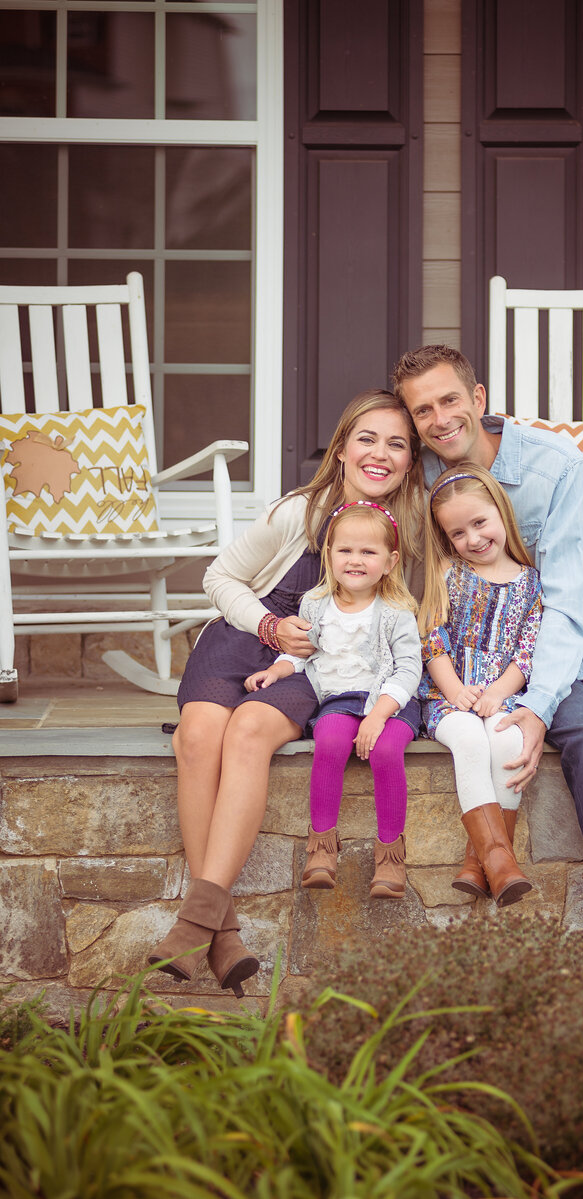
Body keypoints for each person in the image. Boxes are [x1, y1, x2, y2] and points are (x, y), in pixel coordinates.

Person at [393, 346, 583, 980]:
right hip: (520, 661)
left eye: (450, 400)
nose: (441, 419)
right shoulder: (418, 478)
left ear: (478, 400)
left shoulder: (552, 464)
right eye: (424, 411)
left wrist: (535, 706)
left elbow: (565, 601)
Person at [148, 390, 425, 995]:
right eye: (367, 439)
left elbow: (411, 618)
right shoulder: (297, 512)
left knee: (247, 732)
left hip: (308, 668)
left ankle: (195, 923)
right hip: (242, 639)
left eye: (397, 444)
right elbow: (218, 576)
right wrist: (268, 626)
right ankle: (218, 932)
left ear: (410, 460)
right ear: (343, 446)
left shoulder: (415, 529)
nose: (380, 454)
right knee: (198, 737)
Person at [244, 500, 422, 899]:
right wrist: (277, 670)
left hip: (391, 701)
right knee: (329, 741)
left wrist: (378, 715)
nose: (355, 560)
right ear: (329, 555)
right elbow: (301, 651)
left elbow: (409, 670)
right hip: (340, 698)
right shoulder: (316, 604)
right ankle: (322, 848)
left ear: (390, 561)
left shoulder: (396, 612)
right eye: (345, 550)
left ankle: (390, 855)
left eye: (368, 552)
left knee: (386, 750)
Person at [418, 464, 542, 907]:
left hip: (503, 695)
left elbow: (527, 653)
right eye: (457, 533)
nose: (472, 538)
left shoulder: (531, 584)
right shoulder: (448, 574)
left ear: (501, 513)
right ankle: (500, 860)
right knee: (470, 740)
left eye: (479, 523)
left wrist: (496, 693)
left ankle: (480, 865)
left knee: (508, 742)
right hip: (447, 698)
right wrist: (455, 691)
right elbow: (433, 639)